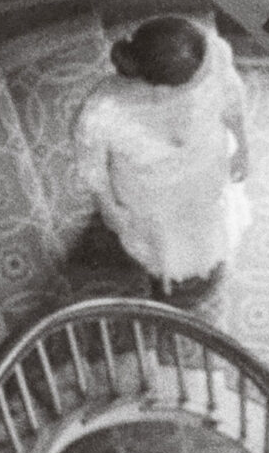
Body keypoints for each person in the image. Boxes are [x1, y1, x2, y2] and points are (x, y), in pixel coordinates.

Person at [72, 16, 251, 300]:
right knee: (162, 241)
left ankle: (203, 256)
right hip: (150, 194)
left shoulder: (210, 54)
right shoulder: (104, 111)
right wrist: (111, 208)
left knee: (207, 221)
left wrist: (242, 146)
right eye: (199, 79)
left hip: (206, 171)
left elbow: (232, 99)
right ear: (163, 91)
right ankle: (164, 271)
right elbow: (92, 168)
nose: (212, 72)